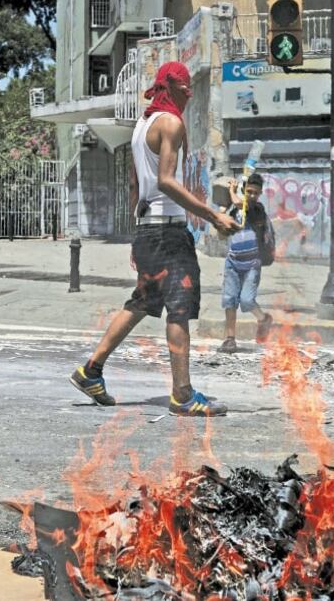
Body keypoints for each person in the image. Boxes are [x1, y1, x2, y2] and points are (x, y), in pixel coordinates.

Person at [69, 61, 241, 417]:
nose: (189, 95)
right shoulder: (171, 123)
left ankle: (91, 371)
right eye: (185, 89)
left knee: (141, 303)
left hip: (149, 229)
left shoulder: (142, 125)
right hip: (167, 234)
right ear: (173, 88)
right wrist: (212, 215)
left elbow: (139, 185)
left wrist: (140, 232)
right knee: (179, 308)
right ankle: (182, 393)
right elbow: (165, 180)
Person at [218, 173, 274, 353]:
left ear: (260, 194)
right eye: (249, 191)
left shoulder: (258, 209)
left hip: (252, 265)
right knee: (229, 301)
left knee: (247, 300)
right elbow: (221, 235)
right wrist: (220, 213)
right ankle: (229, 339)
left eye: (255, 193)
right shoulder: (234, 211)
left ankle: (264, 319)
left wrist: (232, 191)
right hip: (233, 263)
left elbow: (241, 203)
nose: (251, 195)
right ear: (244, 190)